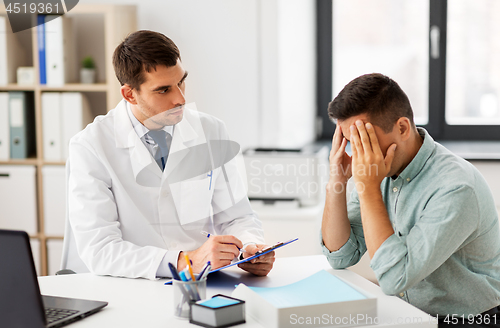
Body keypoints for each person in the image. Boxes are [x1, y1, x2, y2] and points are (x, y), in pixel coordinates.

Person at [65, 30, 274, 280]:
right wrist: (184, 261)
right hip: (128, 285)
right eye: (164, 90)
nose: (181, 99)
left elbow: (237, 216)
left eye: (181, 82)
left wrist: (249, 249)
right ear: (130, 94)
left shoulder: (211, 131)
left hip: (201, 283)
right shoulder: (90, 146)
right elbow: (100, 249)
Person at [321, 73, 500, 327]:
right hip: (407, 313)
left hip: (467, 320)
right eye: (352, 142)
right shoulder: (379, 170)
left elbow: (395, 278)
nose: (358, 153)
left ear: (402, 128)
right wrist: (337, 180)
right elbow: (340, 256)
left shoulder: (457, 187)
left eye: (365, 140)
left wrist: (368, 188)